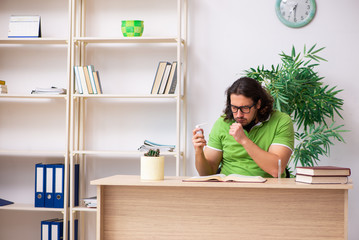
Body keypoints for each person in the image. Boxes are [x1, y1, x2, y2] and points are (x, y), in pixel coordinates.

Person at [192, 77, 294, 178]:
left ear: (258, 104)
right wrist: (199, 152)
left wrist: (244, 140)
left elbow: (276, 169)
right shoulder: (222, 123)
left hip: (266, 190)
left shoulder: (281, 121)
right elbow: (207, 174)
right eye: (234, 108)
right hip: (229, 189)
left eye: (245, 108)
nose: (238, 115)